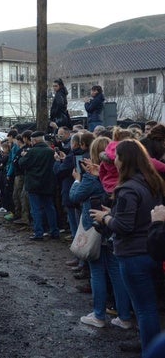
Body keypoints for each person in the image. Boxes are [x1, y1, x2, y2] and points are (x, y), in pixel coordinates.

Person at [90, 139, 164, 355]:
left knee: (144, 308)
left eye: (118, 158)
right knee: (148, 306)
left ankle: (150, 351)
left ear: (125, 160)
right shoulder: (153, 181)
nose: (116, 162)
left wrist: (105, 218)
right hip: (152, 248)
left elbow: (123, 226)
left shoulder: (128, 188)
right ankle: (148, 344)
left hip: (133, 253)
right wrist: (113, 213)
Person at [69, 137, 132, 330]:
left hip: (96, 228)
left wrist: (77, 181)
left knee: (96, 272)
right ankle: (124, 316)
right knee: (115, 273)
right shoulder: (120, 177)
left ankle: (98, 315)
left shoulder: (92, 177)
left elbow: (74, 198)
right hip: (113, 228)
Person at [18, 131, 60, 240]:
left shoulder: (32, 152)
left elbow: (22, 164)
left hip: (33, 184)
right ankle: (54, 231)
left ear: (34, 141)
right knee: (49, 207)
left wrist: (23, 156)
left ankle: (39, 232)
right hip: (47, 184)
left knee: (35, 209)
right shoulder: (50, 152)